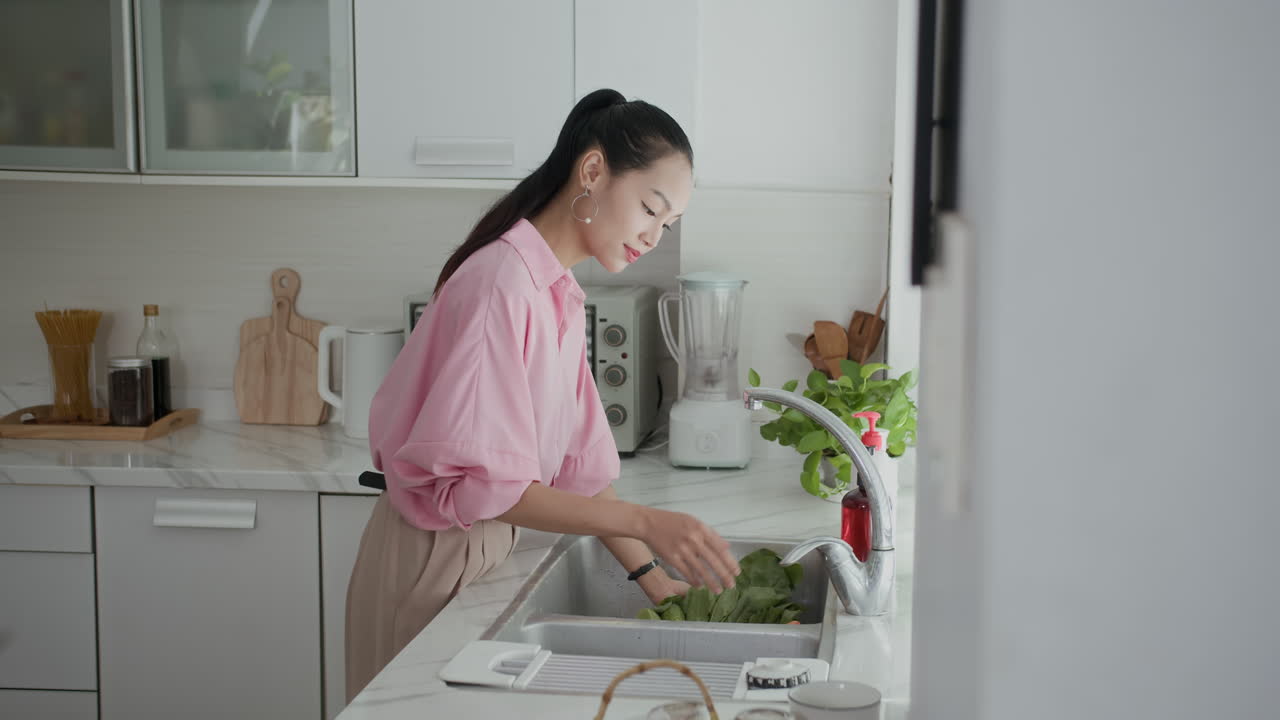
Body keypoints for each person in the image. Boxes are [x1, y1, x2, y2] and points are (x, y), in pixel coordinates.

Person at [344, 88, 741, 700]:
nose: (654, 234)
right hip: (429, 561)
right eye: (650, 208)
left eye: (668, 223)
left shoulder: (555, 291)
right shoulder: (501, 283)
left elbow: (580, 471)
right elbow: (489, 488)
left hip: (477, 551)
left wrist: (657, 582)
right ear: (593, 171)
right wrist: (646, 521)